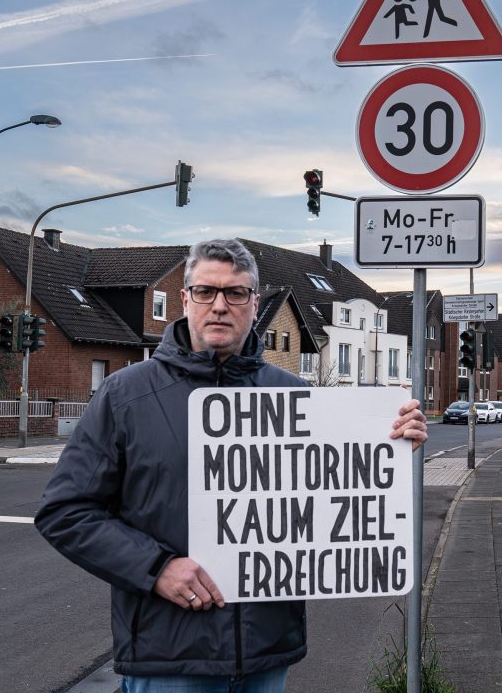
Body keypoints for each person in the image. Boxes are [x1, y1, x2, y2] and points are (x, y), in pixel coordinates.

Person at [35, 238, 427, 693]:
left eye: (235, 293)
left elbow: (329, 493)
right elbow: (65, 511)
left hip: (265, 655)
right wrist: (156, 569)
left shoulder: (297, 396)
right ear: (186, 300)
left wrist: (390, 445)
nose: (219, 305)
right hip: (169, 657)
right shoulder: (124, 395)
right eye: (206, 291)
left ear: (255, 305)